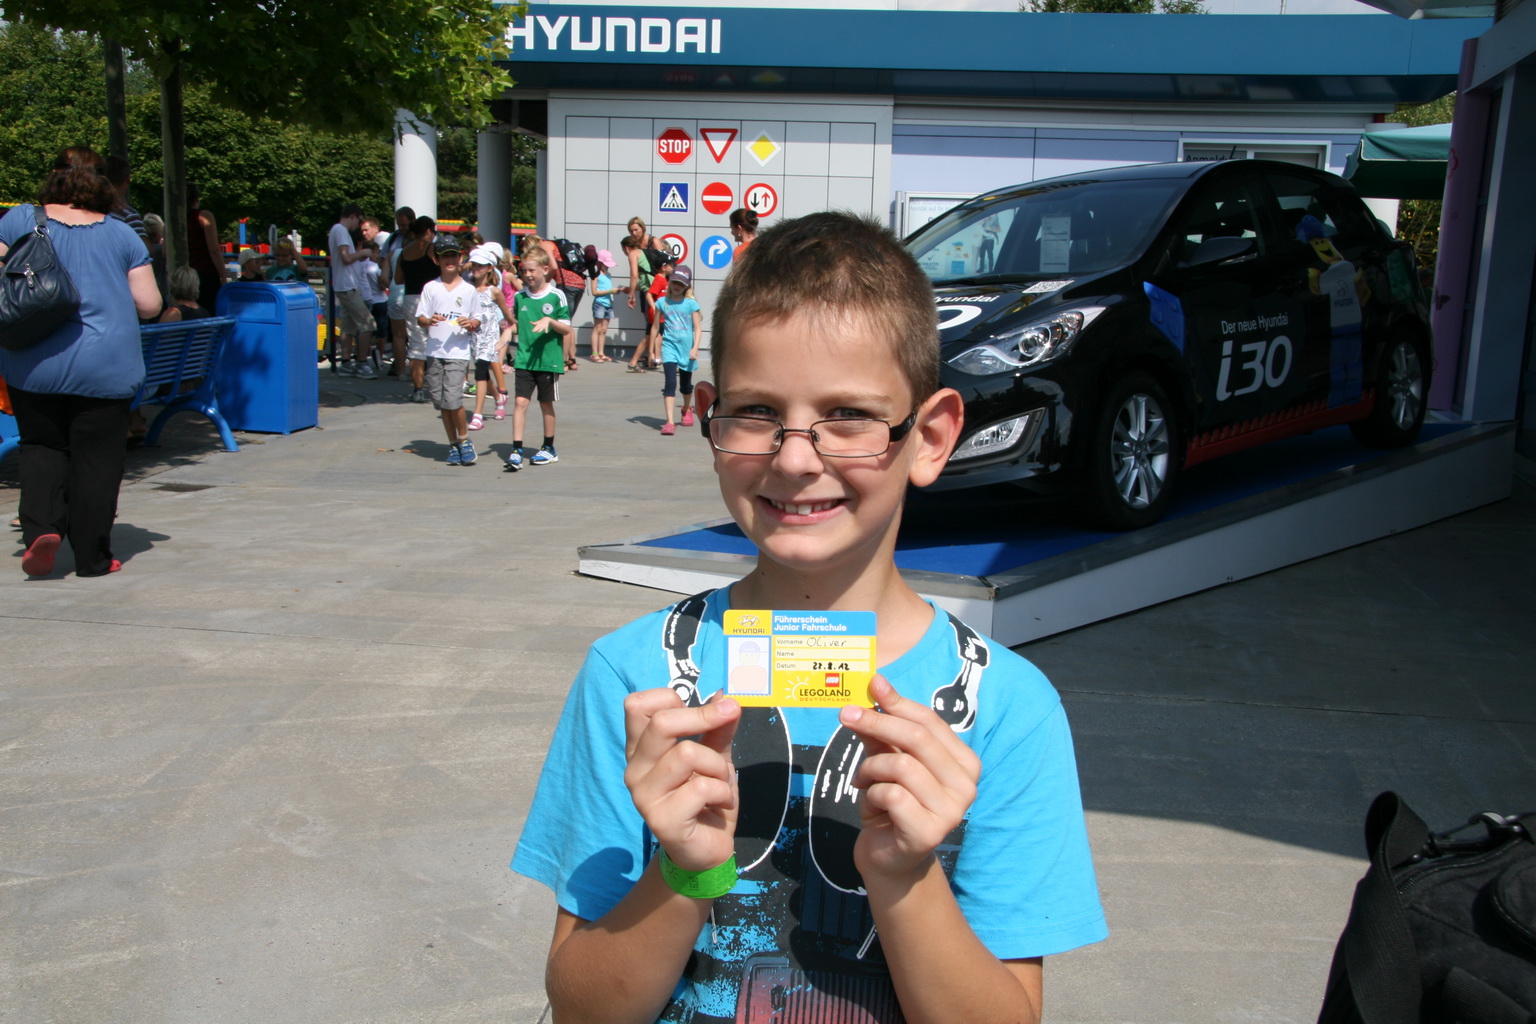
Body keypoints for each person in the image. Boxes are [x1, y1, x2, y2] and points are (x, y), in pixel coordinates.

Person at [510, 212, 1106, 1024]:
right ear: (711, 421)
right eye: (757, 411)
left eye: (850, 415)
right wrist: (685, 870)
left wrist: (905, 876)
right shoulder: (633, 679)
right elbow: (582, 1008)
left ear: (931, 437)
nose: (795, 459)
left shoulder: (1008, 708)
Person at [0, 146, 162, 578]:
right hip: (106, 364)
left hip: (33, 360)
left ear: (54, 175)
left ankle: (41, 529)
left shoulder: (19, 220)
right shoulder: (123, 234)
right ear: (103, 183)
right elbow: (149, 305)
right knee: (98, 459)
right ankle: (93, 558)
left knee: (41, 445)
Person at [412, 234, 478, 466]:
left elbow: (477, 318)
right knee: (441, 402)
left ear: (460, 258)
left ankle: (465, 440)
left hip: (457, 353)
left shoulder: (469, 290)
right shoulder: (431, 288)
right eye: (444, 257)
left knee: (453, 400)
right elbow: (420, 317)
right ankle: (453, 444)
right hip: (435, 352)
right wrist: (429, 320)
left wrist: (470, 323)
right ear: (436, 260)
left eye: (453, 256)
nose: (449, 260)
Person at [504, 247, 572, 472]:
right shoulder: (520, 297)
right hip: (525, 359)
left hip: (548, 360)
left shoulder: (556, 296)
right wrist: (508, 332)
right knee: (520, 402)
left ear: (544, 269)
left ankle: (549, 448)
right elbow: (518, 324)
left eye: (531, 270)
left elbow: (566, 328)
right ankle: (516, 450)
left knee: (545, 403)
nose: (527, 275)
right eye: (524, 271)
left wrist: (549, 321)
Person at [646, 263, 702, 436]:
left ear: (687, 286)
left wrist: (695, 348)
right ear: (670, 282)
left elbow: (697, 328)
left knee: (685, 385)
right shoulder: (662, 302)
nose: (677, 286)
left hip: (686, 350)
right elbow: (655, 327)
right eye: (675, 282)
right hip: (669, 347)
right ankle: (669, 422)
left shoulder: (691, 304)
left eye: (681, 284)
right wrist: (651, 351)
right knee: (670, 383)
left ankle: (686, 408)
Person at [464, 244, 513, 432]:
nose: (476, 269)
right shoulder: (467, 289)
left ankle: (477, 415)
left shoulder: (494, 291)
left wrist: (516, 326)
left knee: (480, 372)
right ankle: (499, 398)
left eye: (480, 265)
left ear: (490, 268)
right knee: (483, 374)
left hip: (490, 338)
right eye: (474, 265)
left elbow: (506, 314)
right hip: (474, 337)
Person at [328, 203, 377, 379]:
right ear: (353, 216)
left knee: (348, 327)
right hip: (348, 287)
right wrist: (363, 252)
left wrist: (358, 256)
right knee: (368, 324)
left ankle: (346, 363)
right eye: (359, 220)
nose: (358, 225)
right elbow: (346, 257)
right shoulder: (341, 230)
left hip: (345, 286)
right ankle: (362, 363)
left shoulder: (337, 230)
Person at [395, 216, 438, 402]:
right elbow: (444, 268)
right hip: (430, 298)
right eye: (434, 232)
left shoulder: (404, 252)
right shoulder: (431, 248)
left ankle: (418, 389)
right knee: (437, 340)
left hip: (410, 298)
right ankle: (437, 386)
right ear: (428, 231)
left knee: (416, 344)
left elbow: (398, 279)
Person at [382, 206, 415, 378]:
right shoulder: (420, 251)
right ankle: (418, 373)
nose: (401, 228)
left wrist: (389, 285)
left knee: (398, 336)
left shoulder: (392, 252)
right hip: (414, 294)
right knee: (417, 335)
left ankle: (401, 371)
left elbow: (383, 276)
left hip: (395, 294)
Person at [186, 182, 227, 314]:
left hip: (182, 274)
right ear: (196, 199)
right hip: (204, 273)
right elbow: (214, 249)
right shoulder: (203, 216)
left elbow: (165, 252)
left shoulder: (173, 220)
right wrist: (223, 276)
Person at [587, 248, 619, 363]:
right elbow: (594, 292)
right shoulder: (595, 275)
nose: (608, 267)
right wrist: (610, 291)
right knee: (597, 328)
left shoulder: (608, 275)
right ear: (599, 263)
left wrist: (614, 291)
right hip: (599, 303)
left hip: (608, 304)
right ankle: (594, 353)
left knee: (604, 329)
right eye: (606, 264)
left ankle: (601, 352)